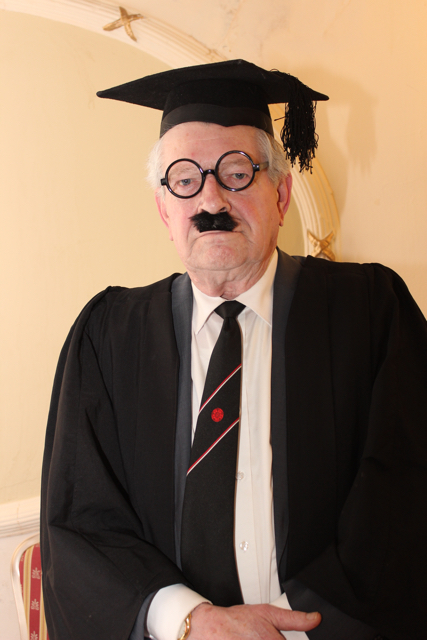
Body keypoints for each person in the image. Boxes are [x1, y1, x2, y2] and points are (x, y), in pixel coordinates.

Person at [40, 60, 427, 640]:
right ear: (164, 210)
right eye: (184, 179)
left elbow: (404, 493)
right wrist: (188, 621)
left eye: (238, 172)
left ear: (282, 195)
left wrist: (296, 627)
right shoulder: (108, 338)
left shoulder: (371, 312)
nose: (211, 199)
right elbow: (80, 521)